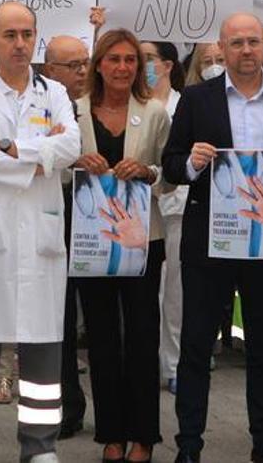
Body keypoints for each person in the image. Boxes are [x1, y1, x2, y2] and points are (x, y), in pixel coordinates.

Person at [162, 12, 263, 463]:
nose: (247, 50)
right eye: (237, 43)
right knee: (196, 347)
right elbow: (171, 164)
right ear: (223, 47)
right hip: (210, 243)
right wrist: (191, 162)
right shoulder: (197, 99)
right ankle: (189, 445)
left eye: (254, 42)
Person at [0, 2, 80, 463]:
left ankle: (39, 447)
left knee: (43, 345)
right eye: (10, 34)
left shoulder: (54, 92)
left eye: (27, 34)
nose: (20, 43)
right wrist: (38, 158)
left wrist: (9, 147)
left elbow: (72, 146)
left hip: (39, 236)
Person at [73, 29, 172, 462]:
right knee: (101, 337)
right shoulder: (74, 111)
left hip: (141, 239)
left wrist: (148, 171)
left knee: (142, 335)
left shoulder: (154, 113)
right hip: (92, 240)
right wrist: (76, 161)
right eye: (113, 59)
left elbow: (171, 173)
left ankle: (144, 436)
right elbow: (56, 166)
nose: (122, 67)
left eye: (130, 60)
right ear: (98, 64)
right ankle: (111, 434)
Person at [40, 33, 93, 437]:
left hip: (92, 211)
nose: (82, 72)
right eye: (72, 66)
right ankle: (63, 405)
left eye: (85, 63)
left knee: (94, 311)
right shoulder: (38, 102)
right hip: (50, 207)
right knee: (55, 312)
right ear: (50, 70)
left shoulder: (99, 103)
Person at [142, 41, 189, 394]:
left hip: (175, 209)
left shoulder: (184, 104)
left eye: (148, 59)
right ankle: (144, 360)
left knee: (174, 291)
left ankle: (173, 364)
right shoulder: (135, 105)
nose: (142, 65)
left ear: (168, 64)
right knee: (143, 295)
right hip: (135, 210)